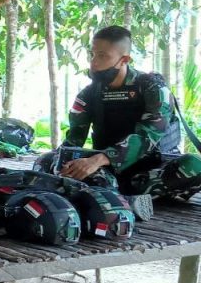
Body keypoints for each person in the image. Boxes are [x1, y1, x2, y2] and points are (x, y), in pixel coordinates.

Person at [35, 25, 201, 208]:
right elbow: (74, 140)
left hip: (152, 169)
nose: (94, 63)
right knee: (47, 160)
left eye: (102, 56)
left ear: (124, 60)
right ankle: (121, 197)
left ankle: (112, 196)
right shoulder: (88, 94)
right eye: (92, 55)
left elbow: (147, 138)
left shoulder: (153, 89)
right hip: (108, 171)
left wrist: (99, 159)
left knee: (195, 165)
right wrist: (62, 164)